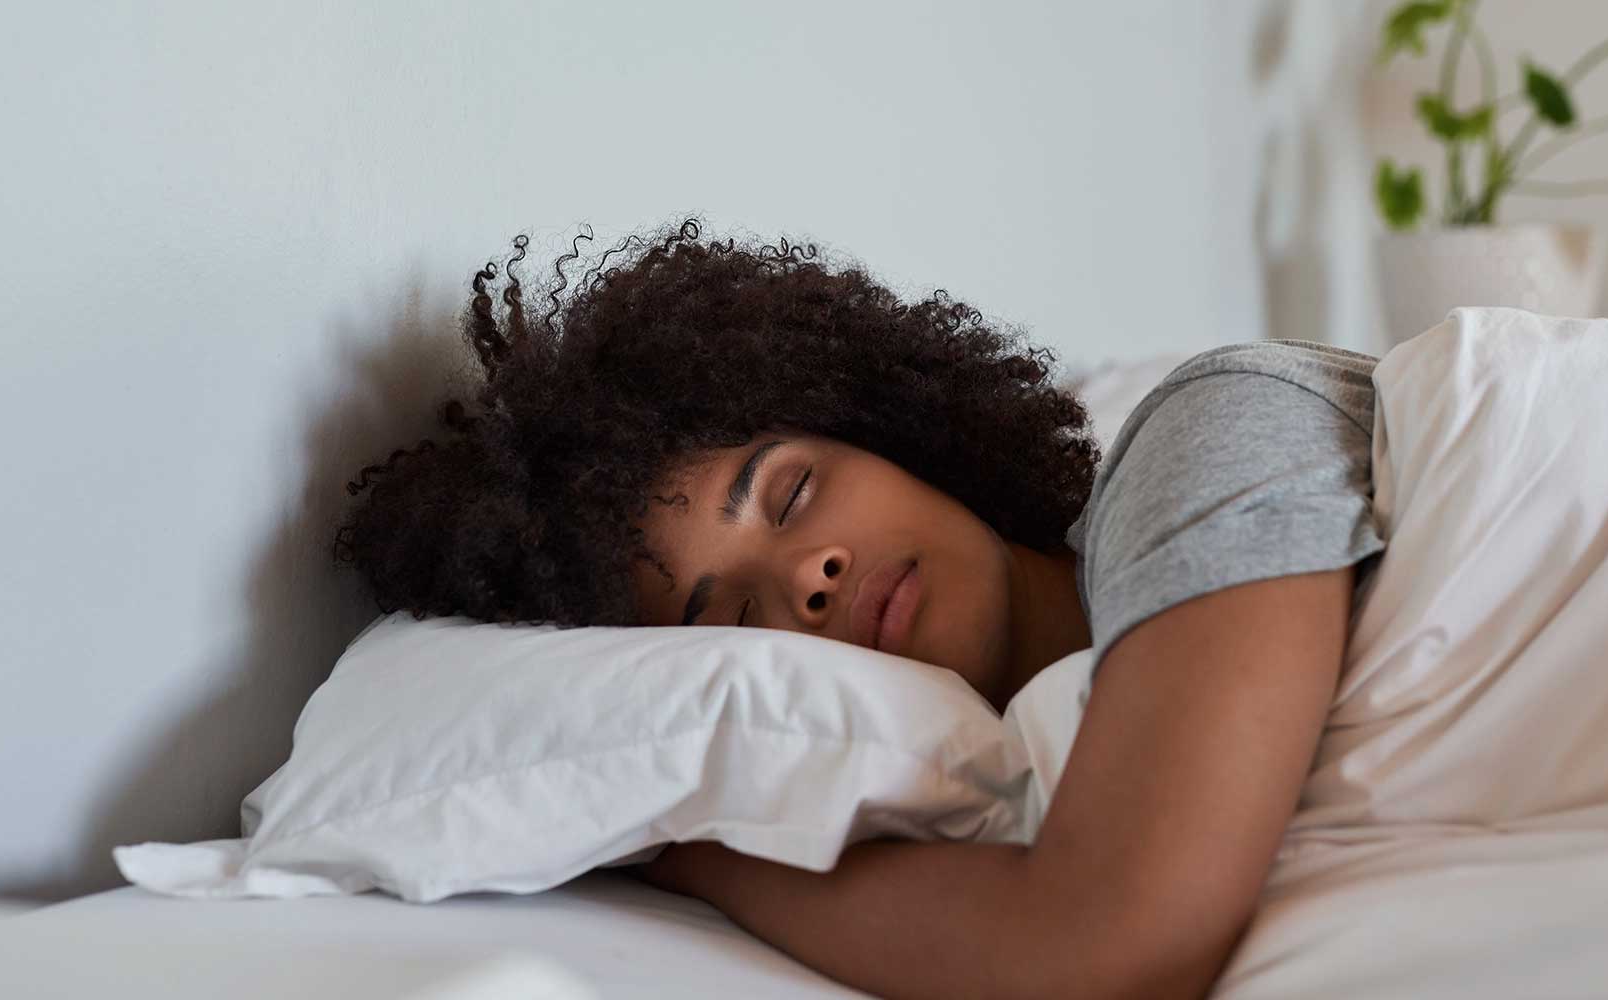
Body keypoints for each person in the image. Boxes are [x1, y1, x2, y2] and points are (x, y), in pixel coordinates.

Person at [333, 218, 1386, 1000]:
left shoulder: (1203, 435)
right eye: (732, 620)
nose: (809, 577)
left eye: (790, 492)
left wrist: (706, 854)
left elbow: (1112, 949)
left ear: (892, 430)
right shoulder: (1025, 750)